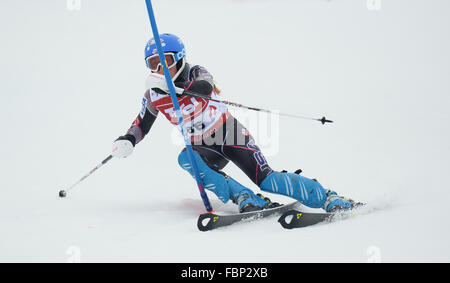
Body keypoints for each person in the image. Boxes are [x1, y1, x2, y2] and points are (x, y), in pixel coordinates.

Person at [112, 33, 359, 213]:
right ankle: (245, 197)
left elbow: (205, 88)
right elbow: (141, 124)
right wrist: (128, 140)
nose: (159, 68)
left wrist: (175, 88)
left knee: (267, 179)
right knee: (187, 158)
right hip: (203, 145)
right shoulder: (154, 95)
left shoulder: (195, 73)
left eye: (165, 61)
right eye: (152, 64)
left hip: (229, 133)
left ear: (179, 59)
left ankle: (327, 198)